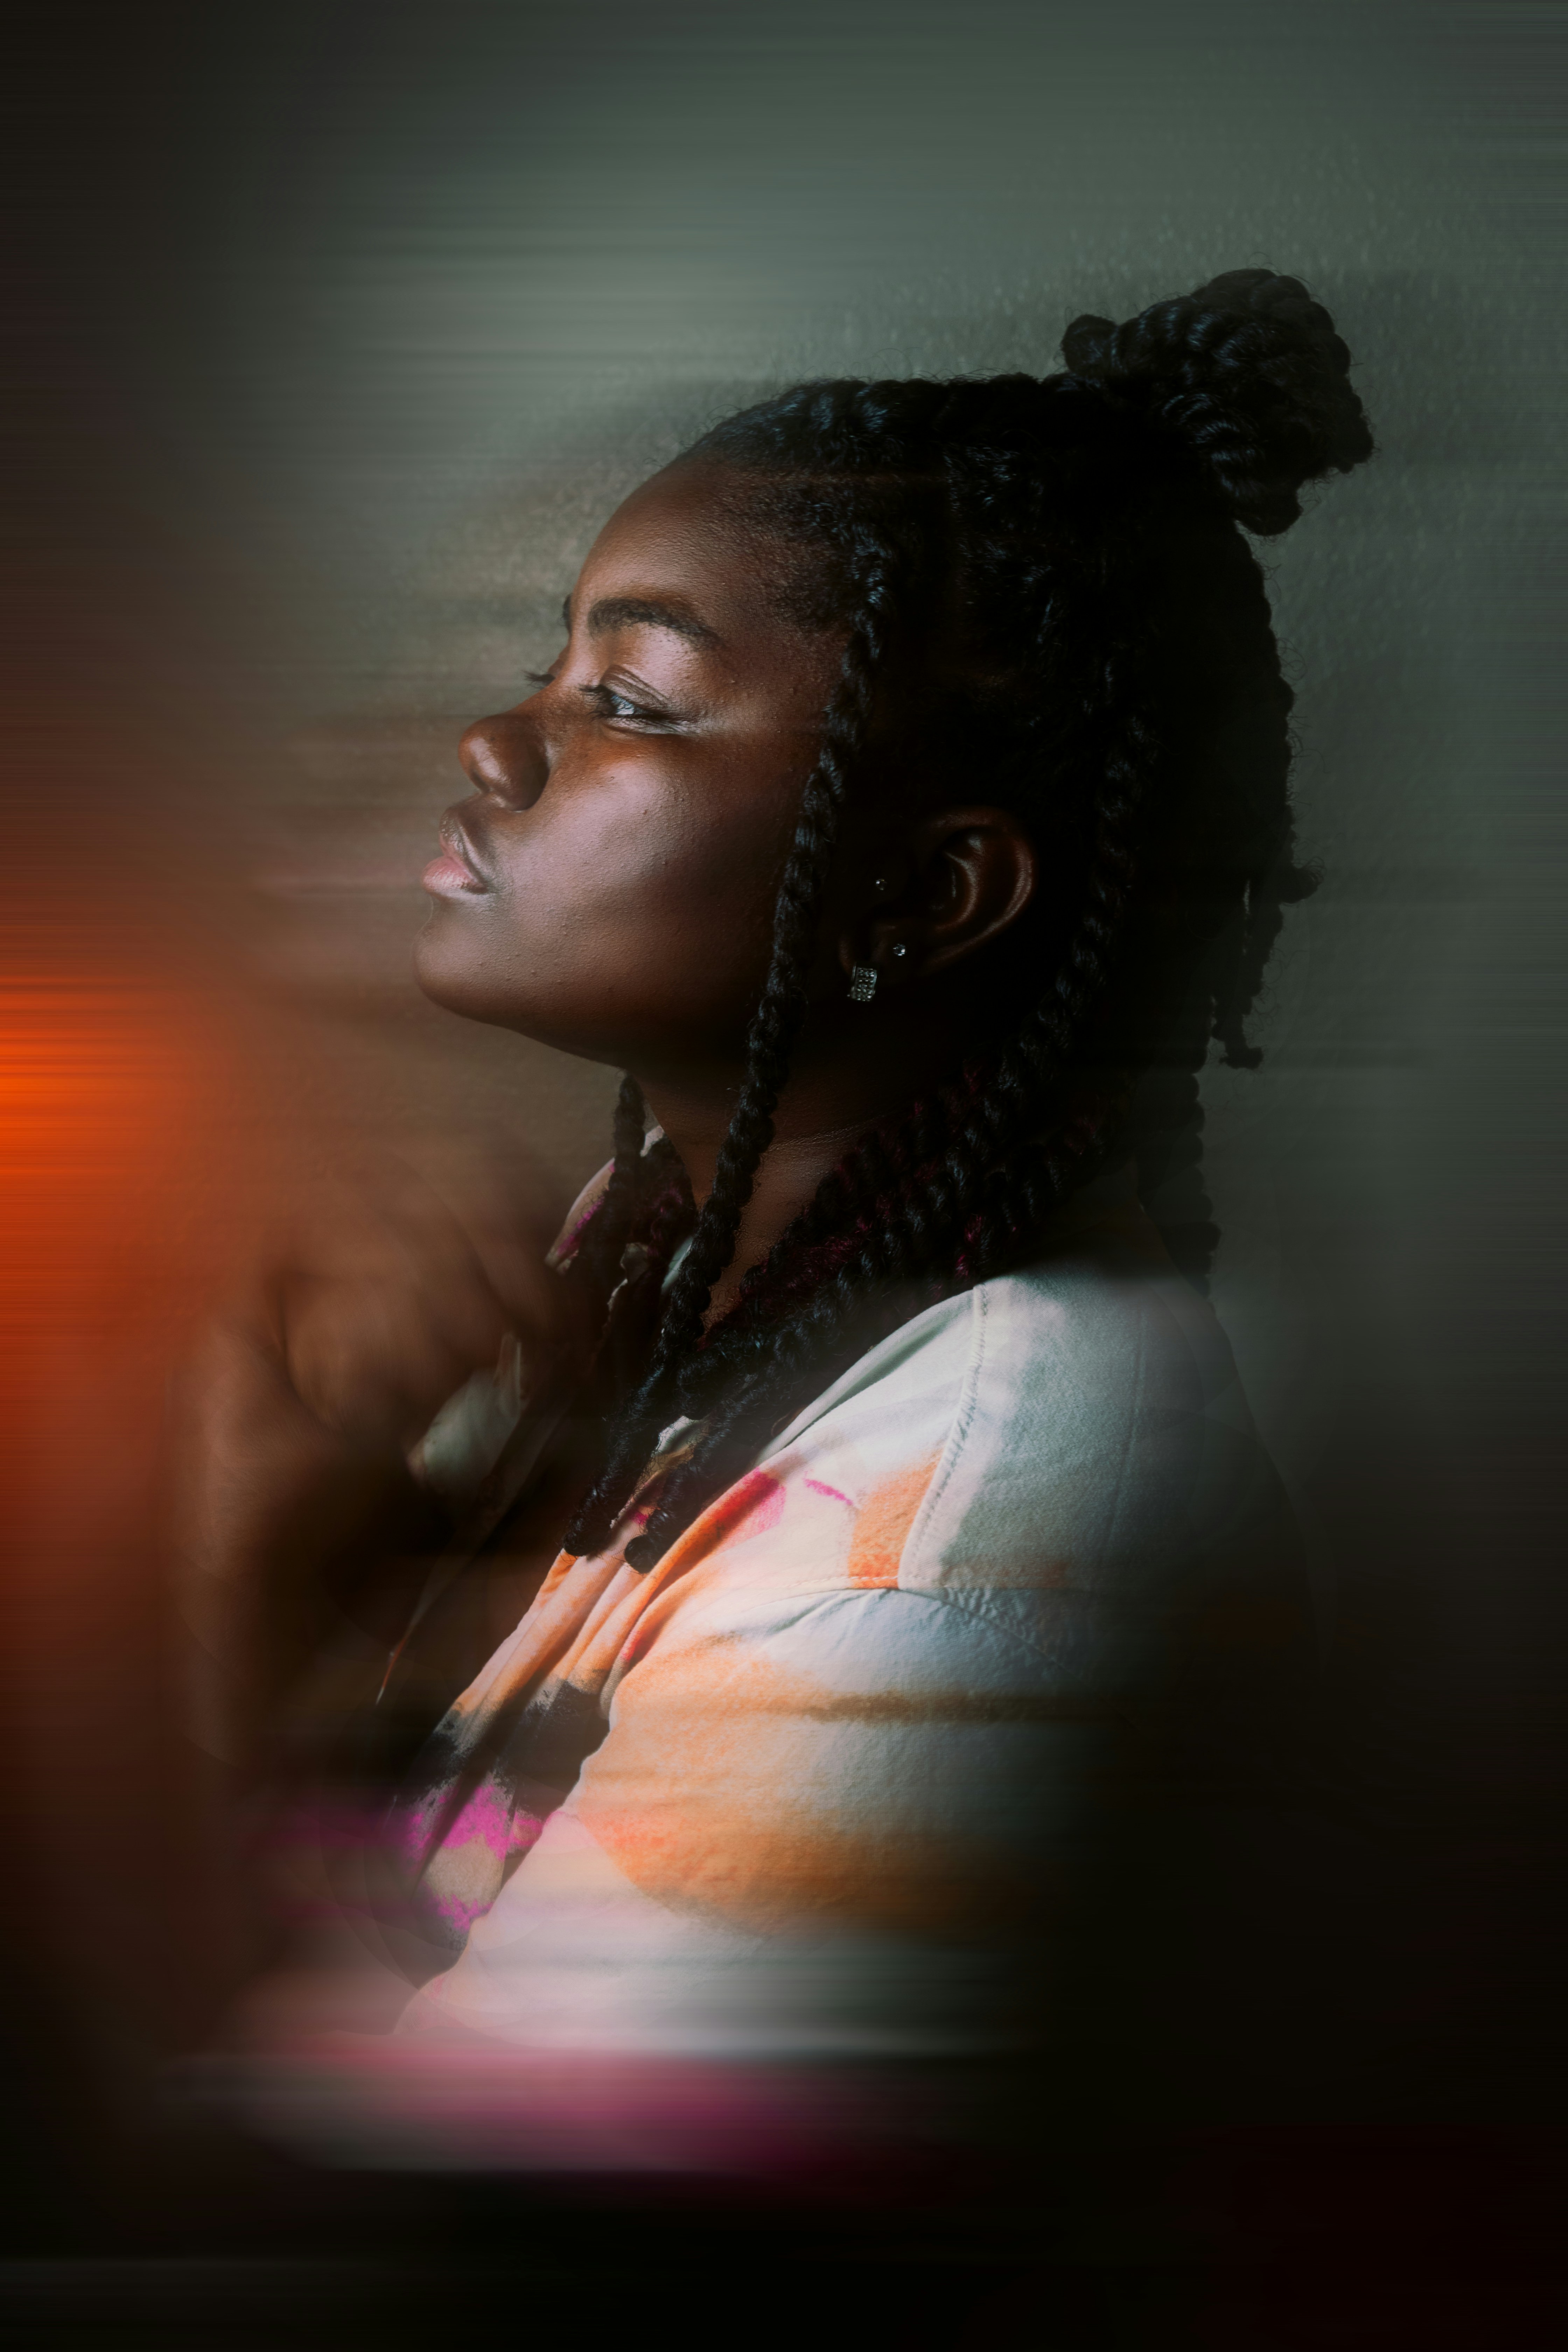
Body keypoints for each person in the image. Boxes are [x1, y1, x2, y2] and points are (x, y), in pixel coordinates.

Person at [182, 268, 1374, 2192]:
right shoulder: (673, 1257)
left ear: (920, 894)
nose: (493, 742)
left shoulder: (941, 1550)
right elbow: (407, 1933)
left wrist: (237, 1581)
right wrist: (368, 1558)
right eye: (556, 667)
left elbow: (472, 2254)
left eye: (628, 701)